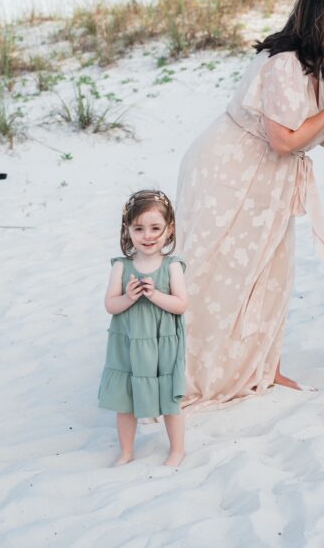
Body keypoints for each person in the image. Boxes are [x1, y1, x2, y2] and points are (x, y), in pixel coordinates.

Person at [175, 0, 324, 413]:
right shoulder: (283, 64)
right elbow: (284, 140)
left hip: (270, 178)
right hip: (229, 171)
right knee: (215, 271)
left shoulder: (318, 66)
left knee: (271, 271)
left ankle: (262, 366)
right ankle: (191, 371)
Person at [98, 189, 188, 466]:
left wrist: (155, 295)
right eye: (139, 228)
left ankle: (177, 450)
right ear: (128, 230)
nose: (147, 236)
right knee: (125, 402)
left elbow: (181, 305)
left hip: (162, 346)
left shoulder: (171, 266)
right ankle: (127, 451)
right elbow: (110, 305)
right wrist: (129, 297)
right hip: (128, 345)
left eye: (155, 228)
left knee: (169, 401)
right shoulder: (121, 267)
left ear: (169, 230)